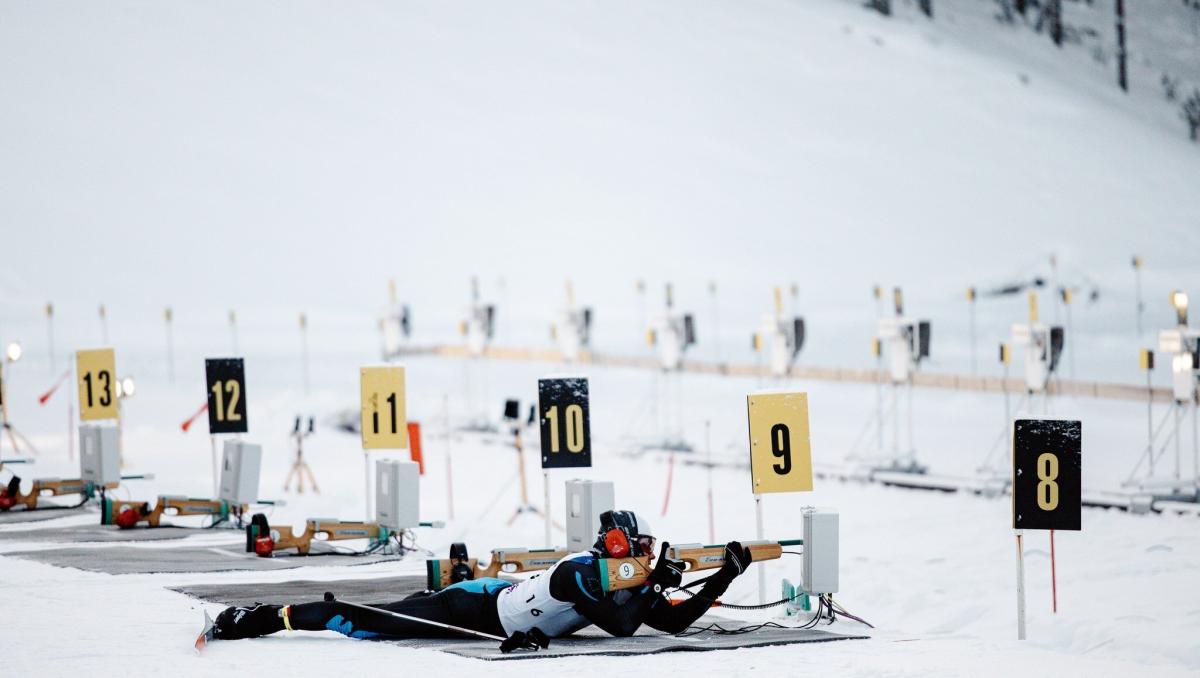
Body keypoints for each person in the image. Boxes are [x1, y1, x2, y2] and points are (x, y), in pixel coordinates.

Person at [209, 509, 753, 646]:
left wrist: (721, 579)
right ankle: (255, 619)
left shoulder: (618, 579)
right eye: (638, 551)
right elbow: (620, 627)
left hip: (493, 605)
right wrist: (656, 582)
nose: (645, 557)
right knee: (363, 619)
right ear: (618, 547)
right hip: (473, 607)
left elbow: (674, 623)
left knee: (392, 613)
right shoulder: (579, 573)